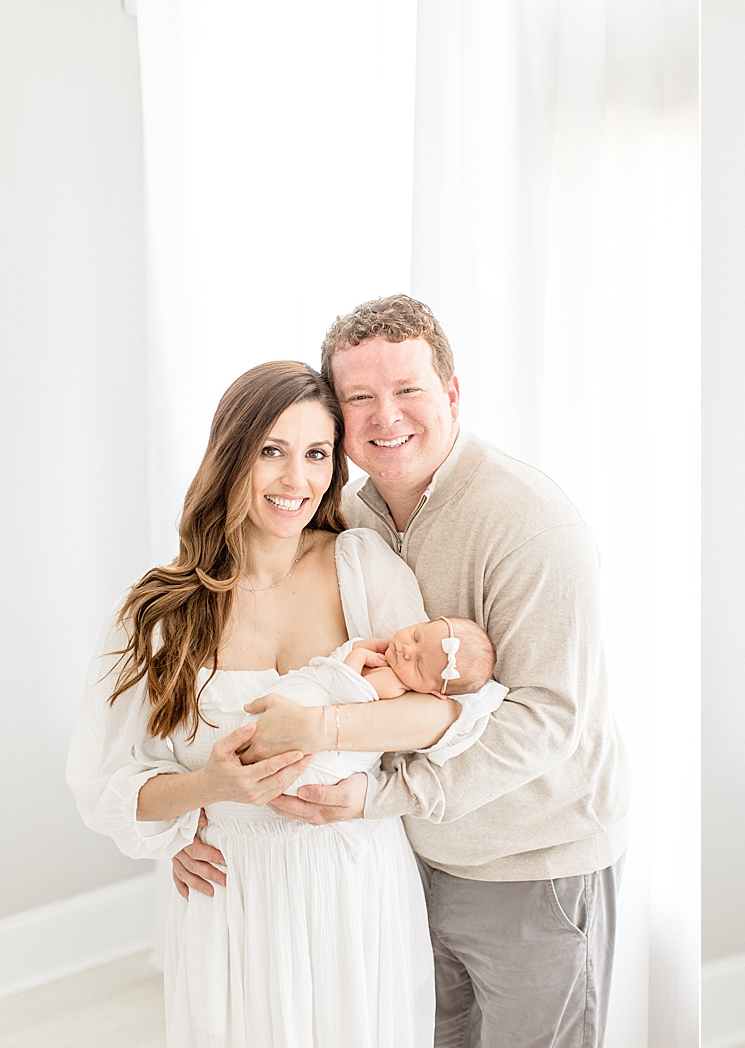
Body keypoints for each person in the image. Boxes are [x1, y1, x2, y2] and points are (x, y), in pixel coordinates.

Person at [172, 296, 631, 1048]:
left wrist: (381, 794)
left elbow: (549, 719)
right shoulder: (351, 518)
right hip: (410, 862)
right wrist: (194, 813)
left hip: (529, 865)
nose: (387, 418)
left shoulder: (528, 523)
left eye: (408, 390)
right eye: (360, 398)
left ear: (451, 394)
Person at [67, 361, 491, 1047]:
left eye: (317, 453)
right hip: (231, 899)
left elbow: (444, 713)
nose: (298, 480)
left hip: (356, 886)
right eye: (273, 451)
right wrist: (207, 788)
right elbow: (106, 786)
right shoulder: (160, 611)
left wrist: (321, 728)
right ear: (232, 453)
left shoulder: (360, 565)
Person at [266, 615, 503, 796]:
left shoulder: (392, 683)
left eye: (419, 664)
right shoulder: (392, 664)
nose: (407, 650)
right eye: (416, 636)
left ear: (432, 692)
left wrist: (359, 656)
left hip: (328, 763)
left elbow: (344, 694)